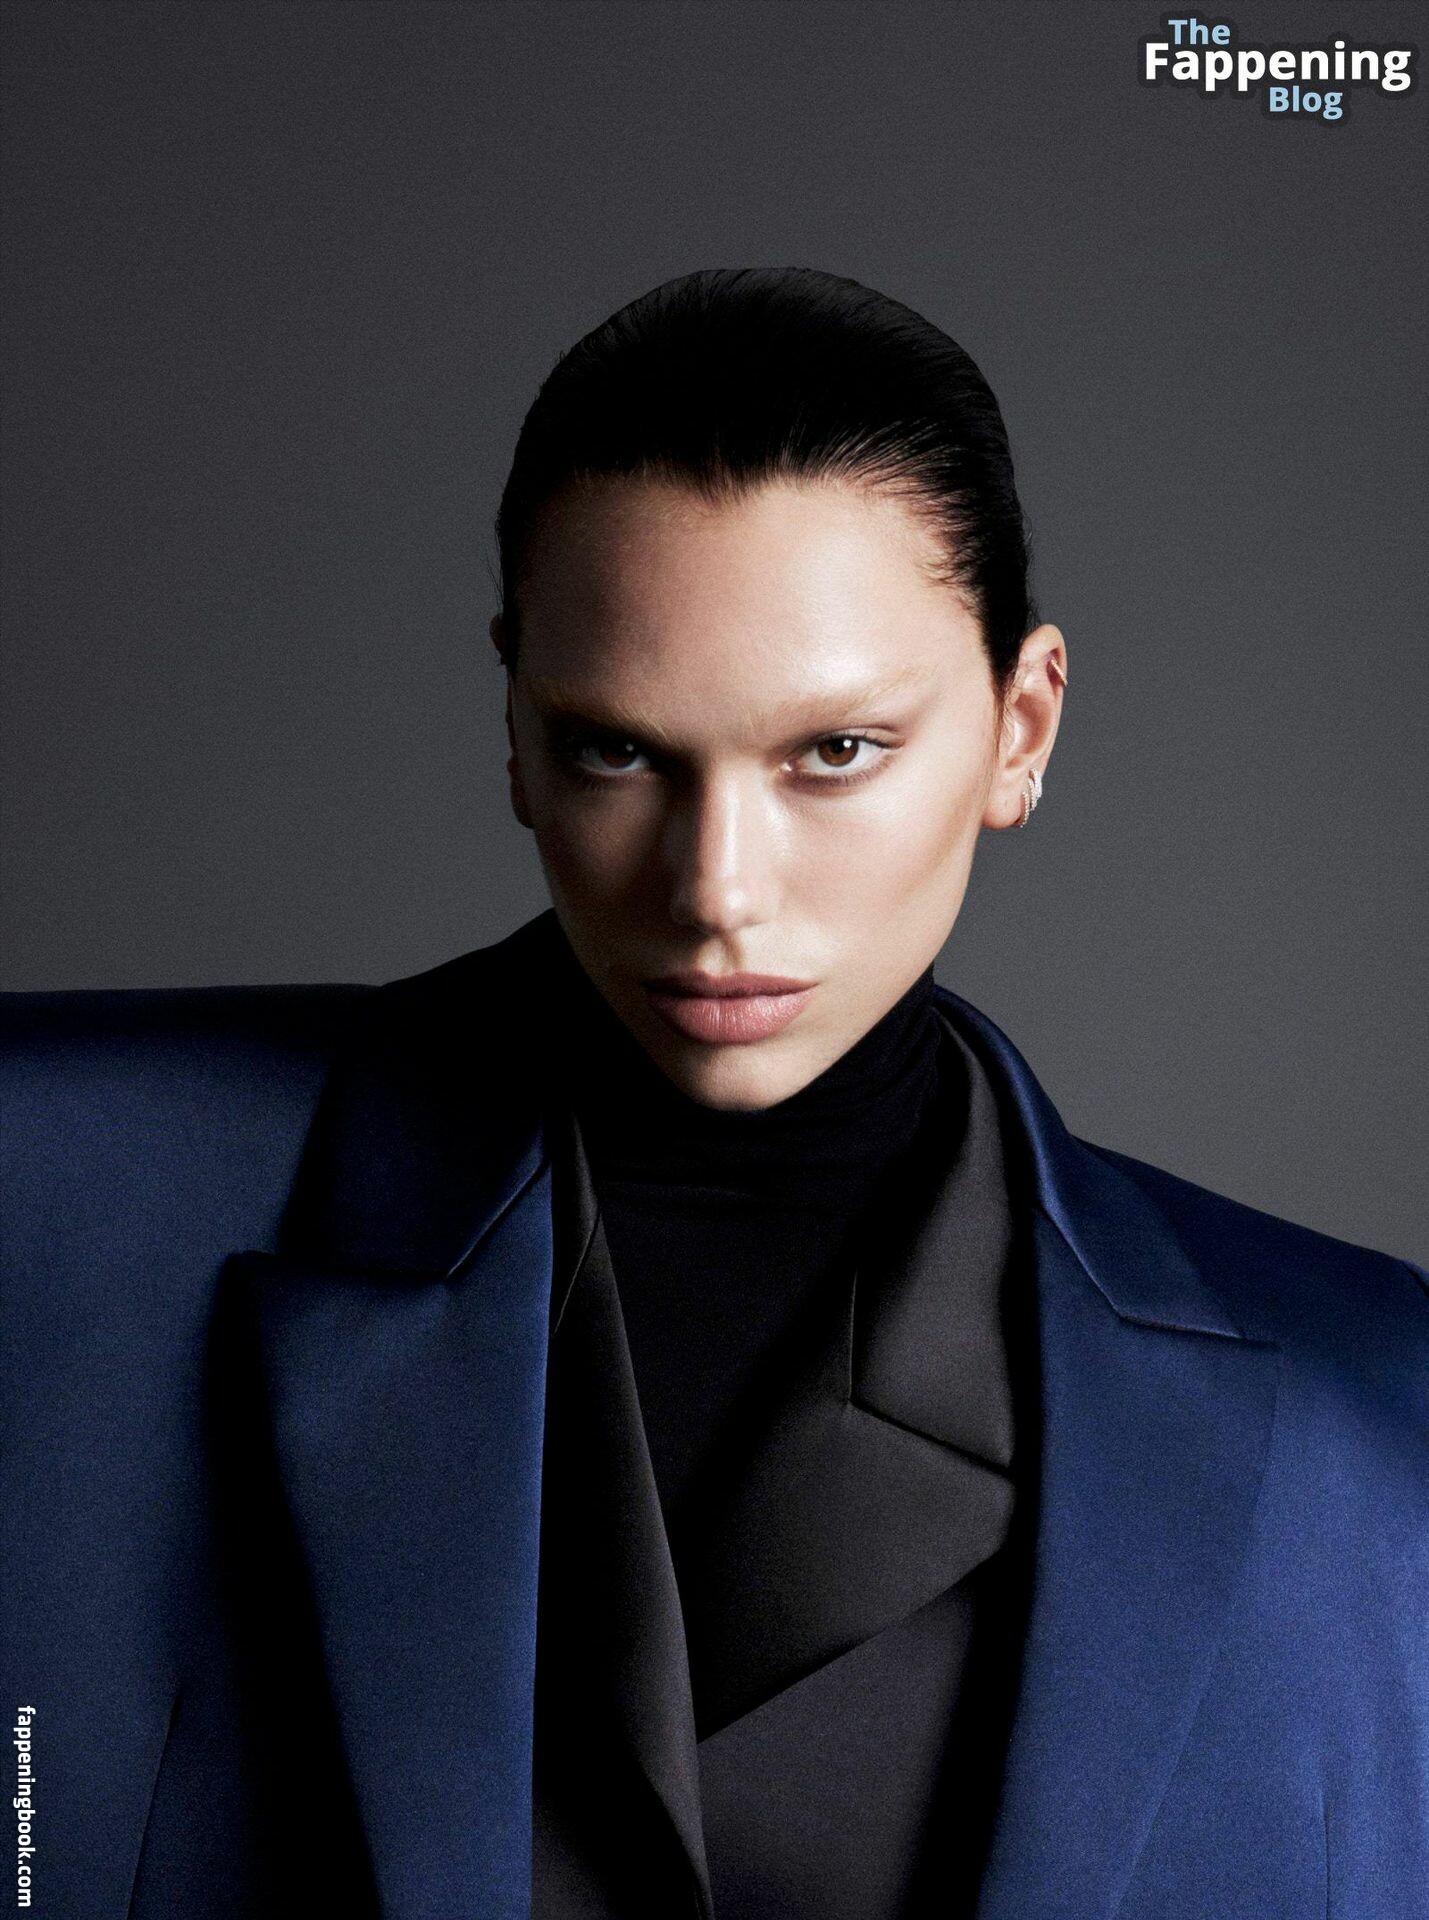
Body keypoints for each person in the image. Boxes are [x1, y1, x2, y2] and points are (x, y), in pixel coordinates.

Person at [2, 268, 1425, 1920]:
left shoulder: (1374, 1419)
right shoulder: (48, 1208)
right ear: (516, 725)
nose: (715, 889)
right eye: (616, 750)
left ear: (1020, 726)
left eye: (834, 752)